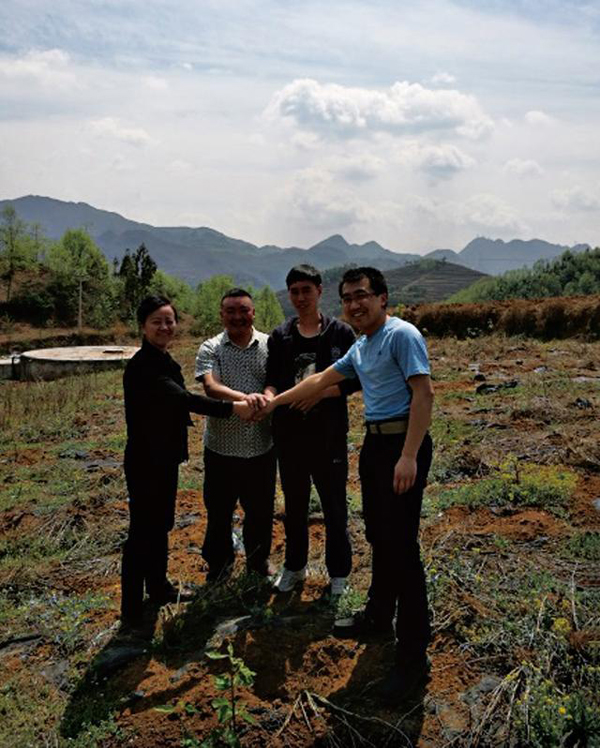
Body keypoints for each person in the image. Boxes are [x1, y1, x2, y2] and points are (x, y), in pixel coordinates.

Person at [263, 267, 434, 701]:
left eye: (363, 295)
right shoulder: (362, 345)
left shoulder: (401, 335)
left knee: (402, 549)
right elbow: (319, 380)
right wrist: (273, 404)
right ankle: (378, 616)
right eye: (348, 298)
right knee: (378, 535)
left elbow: (424, 394)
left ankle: (412, 658)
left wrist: (409, 455)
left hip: (401, 445)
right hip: (375, 446)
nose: (355, 305)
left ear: (382, 298)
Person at [121, 295, 253, 630]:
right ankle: (132, 611)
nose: (165, 327)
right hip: (146, 462)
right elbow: (183, 400)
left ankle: (159, 587)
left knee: (160, 525)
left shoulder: (162, 359)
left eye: (169, 321)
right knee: (142, 533)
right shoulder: (143, 366)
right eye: (157, 321)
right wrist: (233, 409)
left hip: (163, 459)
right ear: (143, 326)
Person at [264, 264, 360, 597]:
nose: (301, 297)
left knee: (334, 507)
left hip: (329, 436)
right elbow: (272, 380)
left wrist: (319, 393)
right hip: (289, 436)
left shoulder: (340, 334)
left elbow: (355, 379)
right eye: (294, 291)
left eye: (307, 290)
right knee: (294, 506)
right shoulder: (280, 336)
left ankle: (339, 573)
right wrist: (269, 398)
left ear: (319, 291)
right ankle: (295, 567)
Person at [195, 288, 276, 582]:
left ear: (253, 312)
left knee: (261, 510)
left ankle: (258, 562)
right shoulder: (211, 348)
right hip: (221, 448)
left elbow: (275, 381)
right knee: (219, 511)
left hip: (261, 445)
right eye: (231, 311)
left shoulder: (270, 344)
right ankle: (218, 565)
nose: (237, 316)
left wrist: (266, 398)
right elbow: (211, 386)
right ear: (222, 315)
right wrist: (246, 400)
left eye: (244, 310)